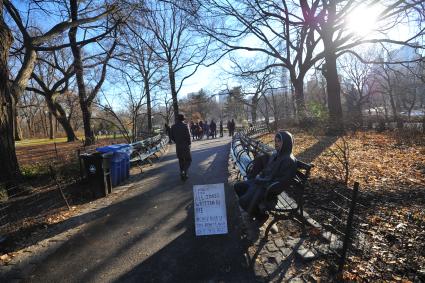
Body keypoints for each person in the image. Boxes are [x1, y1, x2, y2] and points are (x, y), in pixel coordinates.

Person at [234, 131, 297, 222]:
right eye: (275, 141)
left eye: (279, 141)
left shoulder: (289, 160)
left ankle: (260, 215)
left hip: (269, 190)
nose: (276, 143)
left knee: (245, 201)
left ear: (287, 143)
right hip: (263, 182)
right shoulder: (277, 154)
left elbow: (282, 182)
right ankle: (256, 212)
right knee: (238, 186)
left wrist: (262, 181)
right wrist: (260, 176)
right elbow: (267, 169)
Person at [170, 114, 192, 181]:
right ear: (183, 119)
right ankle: (184, 171)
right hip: (185, 145)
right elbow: (188, 136)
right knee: (188, 160)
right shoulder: (185, 126)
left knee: (181, 160)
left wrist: (176, 141)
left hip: (178, 146)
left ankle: (183, 175)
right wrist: (189, 143)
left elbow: (171, 137)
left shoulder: (173, 127)